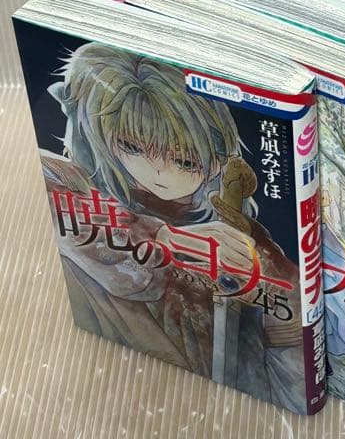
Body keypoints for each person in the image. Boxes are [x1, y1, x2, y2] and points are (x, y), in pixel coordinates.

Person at [44, 42, 307, 411]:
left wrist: (259, 282)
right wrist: (166, 238)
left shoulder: (241, 234)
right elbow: (52, 188)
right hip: (113, 370)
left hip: (224, 396)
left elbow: (291, 345)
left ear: (216, 160)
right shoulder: (81, 187)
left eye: (184, 161)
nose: (158, 172)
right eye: (131, 147)